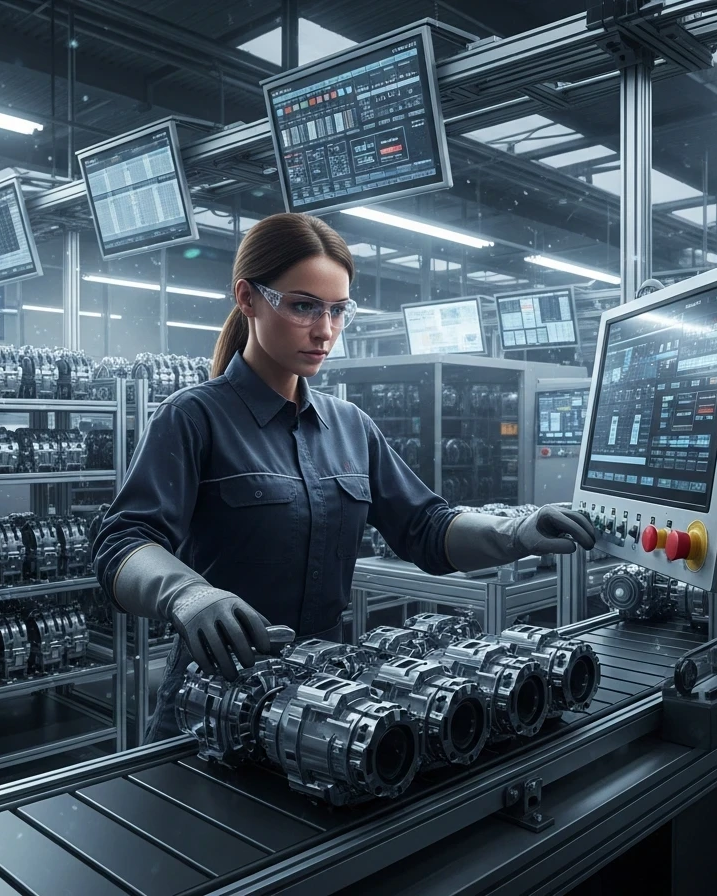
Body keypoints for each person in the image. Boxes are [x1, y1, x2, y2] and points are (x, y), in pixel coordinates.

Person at [92, 212, 597, 742]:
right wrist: (188, 595)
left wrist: (516, 532)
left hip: (324, 700)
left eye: (338, 311)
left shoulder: (350, 426)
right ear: (247, 299)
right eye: (303, 306)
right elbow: (123, 541)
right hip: (213, 699)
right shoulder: (192, 417)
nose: (325, 331)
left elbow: (426, 528)